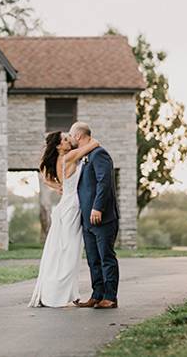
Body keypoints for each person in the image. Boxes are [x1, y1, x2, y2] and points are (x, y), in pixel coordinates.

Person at [28, 130, 101, 307]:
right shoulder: (70, 157)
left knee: (60, 250)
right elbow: (95, 143)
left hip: (65, 204)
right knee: (70, 250)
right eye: (67, 139)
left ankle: (64, 291)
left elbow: (45, 179)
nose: (70, 140)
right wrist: (82, 138)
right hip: (72, 206)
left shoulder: (59, 160)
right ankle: (57, 293)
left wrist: (59, 187)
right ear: (60, 146)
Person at [70, 121, 120, 309]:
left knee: (106, 257)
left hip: (103, 217)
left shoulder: (99, 154)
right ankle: (97, 295)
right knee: (93, 259)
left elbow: (104, 182)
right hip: (87, 219)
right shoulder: (84, 156)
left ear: (78, 136)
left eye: (71, 135)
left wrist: (97, 207)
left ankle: (110, 297)